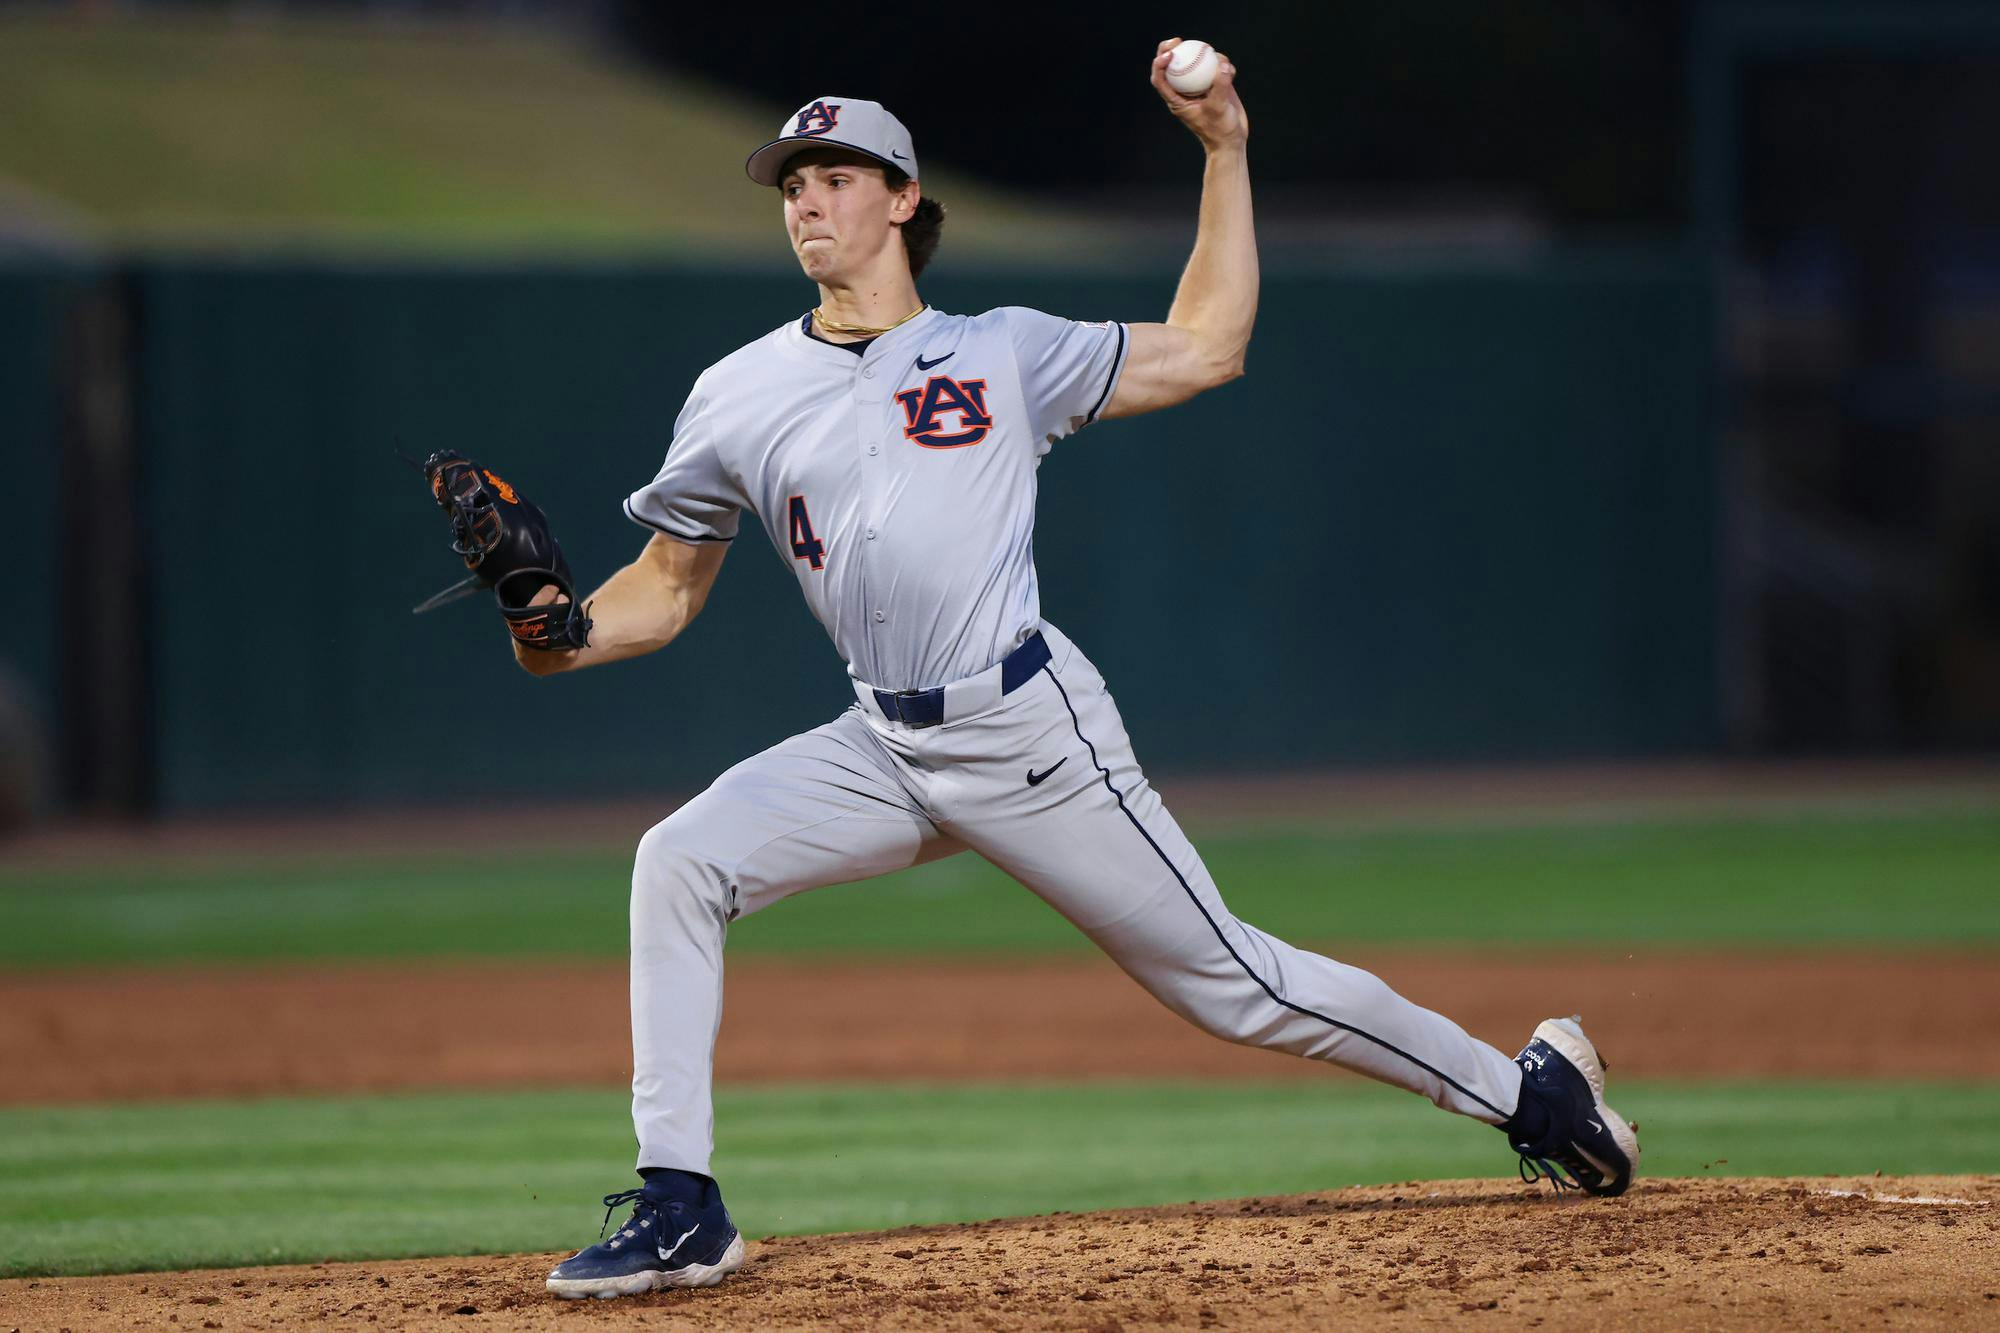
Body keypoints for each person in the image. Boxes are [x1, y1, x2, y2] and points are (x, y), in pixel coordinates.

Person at [535, 41, 1638, 1302]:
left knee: (1237, 987)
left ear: (901, 200)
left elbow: (1210, 342)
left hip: (1024, 734)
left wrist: (1222, 147)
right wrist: (557, 624)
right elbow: (660, 594)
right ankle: (680, 1204)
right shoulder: (734, 392)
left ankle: (1529, 1094)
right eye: (791, 180)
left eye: (836, 175)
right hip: (878, 747)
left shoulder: (1003, 349)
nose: (806, 200)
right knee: (679, 859)